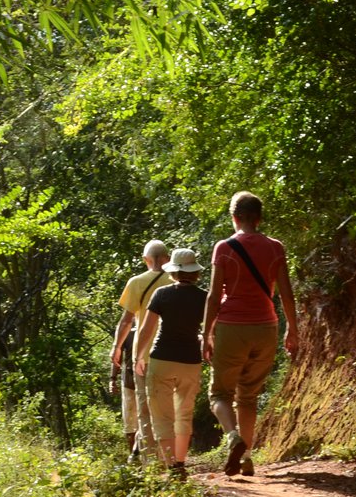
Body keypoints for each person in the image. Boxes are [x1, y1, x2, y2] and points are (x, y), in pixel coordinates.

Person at [200, 191, 299, 476]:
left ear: (234, 218)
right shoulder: (276, 247)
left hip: (231, 327)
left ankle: (233, 438)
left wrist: (206, 333)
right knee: (249, 396)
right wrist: (292, 329)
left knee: (219, 393)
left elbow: (213, 295)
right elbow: (287, 294)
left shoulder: (224, 247)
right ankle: (247, 459)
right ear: (259, 218)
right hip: (267, 327)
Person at [134, 248, 207, 478]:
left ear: (173, 272)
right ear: (195, 272)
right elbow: (212, 329)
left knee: (162, 416)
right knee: (184, 413)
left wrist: (138, 356)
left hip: (162, 358)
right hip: (191, 360)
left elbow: (146, 329)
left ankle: (172, 467)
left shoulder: (162, 294)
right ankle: (181, 462)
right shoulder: (205, 297)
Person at [110, 239, 171, 456]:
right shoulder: (176, 279)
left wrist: (117, 347)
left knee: (144, 409)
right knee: (168, 408)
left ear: (146, 260)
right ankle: (171, 458)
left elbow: (126, 321)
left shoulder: (136, 282)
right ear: (168, 258)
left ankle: (150, 464)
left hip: (143, 354)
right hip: (171, 353)